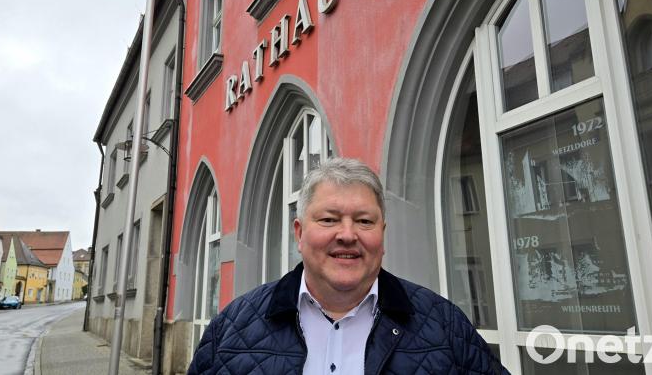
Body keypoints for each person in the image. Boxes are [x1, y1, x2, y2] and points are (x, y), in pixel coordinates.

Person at [189, 157, 508, 374]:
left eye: (364, 221)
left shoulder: (445, 326)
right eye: (328, 219)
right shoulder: (231, 330)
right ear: (299, 233)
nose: (347, 234)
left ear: (382, 234)